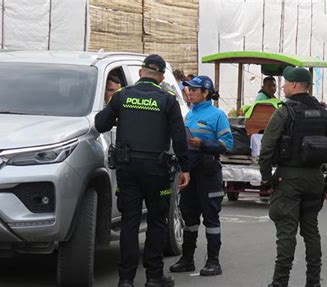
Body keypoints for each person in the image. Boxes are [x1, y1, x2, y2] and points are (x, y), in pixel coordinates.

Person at [95, 54, 190, 287]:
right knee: (157, 222)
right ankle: (154, 277)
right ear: (160, 77)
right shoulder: (168, 100)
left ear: (140, 73)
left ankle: (125, 279)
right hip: (157, 170)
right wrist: (185, 168)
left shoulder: (121, 96)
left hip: (127, 168)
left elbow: (100, 125)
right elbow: (179, 138)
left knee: (129, 222)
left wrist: (119, 112)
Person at [259, 67, 327, 287]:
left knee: (286, 233)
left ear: (296, 85)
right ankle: (313, 282)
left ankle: (280, 283)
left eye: (286, 82)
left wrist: (266, 178)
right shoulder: (324, 114)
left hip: (288, 178)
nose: (283, 86)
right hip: (315, 179)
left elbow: (267, 148)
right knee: (311, 231)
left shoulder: (284, 112)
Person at [169, 75, 233, 276]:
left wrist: (202, 144)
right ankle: (187, 259)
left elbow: (227, 145)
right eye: (189, 89)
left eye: (194, 90)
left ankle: (214, 262)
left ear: (205, 93)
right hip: (190, 173)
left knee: (211, 218)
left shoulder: (218, 115)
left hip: (209, 173)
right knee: (189, 216)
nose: (189, 92)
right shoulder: (189, 114)